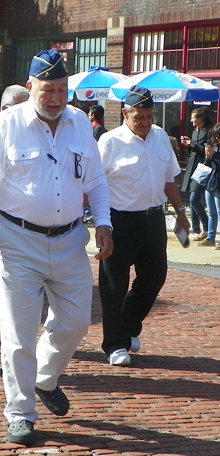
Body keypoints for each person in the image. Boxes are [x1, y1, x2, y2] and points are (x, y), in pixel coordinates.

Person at [0, 50, 113, 445]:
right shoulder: (6, 125)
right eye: (48, 89)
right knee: (19, 332)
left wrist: (104, 223)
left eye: (62, 89)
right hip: (17, 241)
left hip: (69, 240)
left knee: (76, 322)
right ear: (30, 86)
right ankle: (20, 412)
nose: (55, 97)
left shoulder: (80, 122)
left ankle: (44, 378)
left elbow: (96, 181)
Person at [97, 85, 189, 367]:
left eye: (149, 116)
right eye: (140, 117)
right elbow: (94, 185)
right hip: (119, 220)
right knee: (114, 286)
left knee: (155, 277)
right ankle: (114, 345)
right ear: (125, 114)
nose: (146, 122)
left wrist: (181, 212)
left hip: (153, 220)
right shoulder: (110, 143)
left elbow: (169, 179)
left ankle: (127, 325)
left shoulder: (160, 137)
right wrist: (96, 223)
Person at [181, 107, 213, 243]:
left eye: (193, 117)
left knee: (194, 198)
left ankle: (206, 226)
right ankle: (196, 229)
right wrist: (188, 145)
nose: (191, 120)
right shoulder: (195, 132)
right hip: (192, 167)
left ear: (200, 119)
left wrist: (193, 145)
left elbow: (207, 152)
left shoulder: (209, 133)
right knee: (191, 199)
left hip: (202, 168)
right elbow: (192, 151)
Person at [203, 123, 220, 250]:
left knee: (219, 211)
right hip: (211, 181)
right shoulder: (215, 147)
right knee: (211, 212)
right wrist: (208, 156)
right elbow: (208, 164)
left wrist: (214, 155)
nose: (217, 139)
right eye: (216, 136)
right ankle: (210, 237)